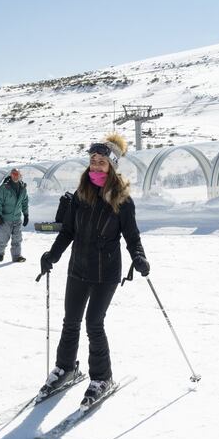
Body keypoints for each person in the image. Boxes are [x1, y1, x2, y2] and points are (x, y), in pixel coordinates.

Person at [38, 133, 150, 410]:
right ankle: (66, 368)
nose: (96, 166)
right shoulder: (80, 195)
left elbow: (132, 236)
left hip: (106, 272)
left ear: (111, 166)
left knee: (93, 324)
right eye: (92, 161)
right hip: (78, 267)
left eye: (101, 162)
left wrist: (139, 256)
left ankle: (102, 377)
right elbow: (68, 232)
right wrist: (52, 255)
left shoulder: (122, 199)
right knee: (70, 321)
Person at [0, 168, 29, 262]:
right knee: (3, 238)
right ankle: (0, 252)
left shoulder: (23, 188)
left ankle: (17, 256)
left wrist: (26, 214)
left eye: (17, 174)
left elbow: (25, 202)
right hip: (6, 218)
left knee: (17, 239)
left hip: (17, 218)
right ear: (11, 175)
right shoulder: (4, 187)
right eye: (13, 174)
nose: (15, 175)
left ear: (20, 175)